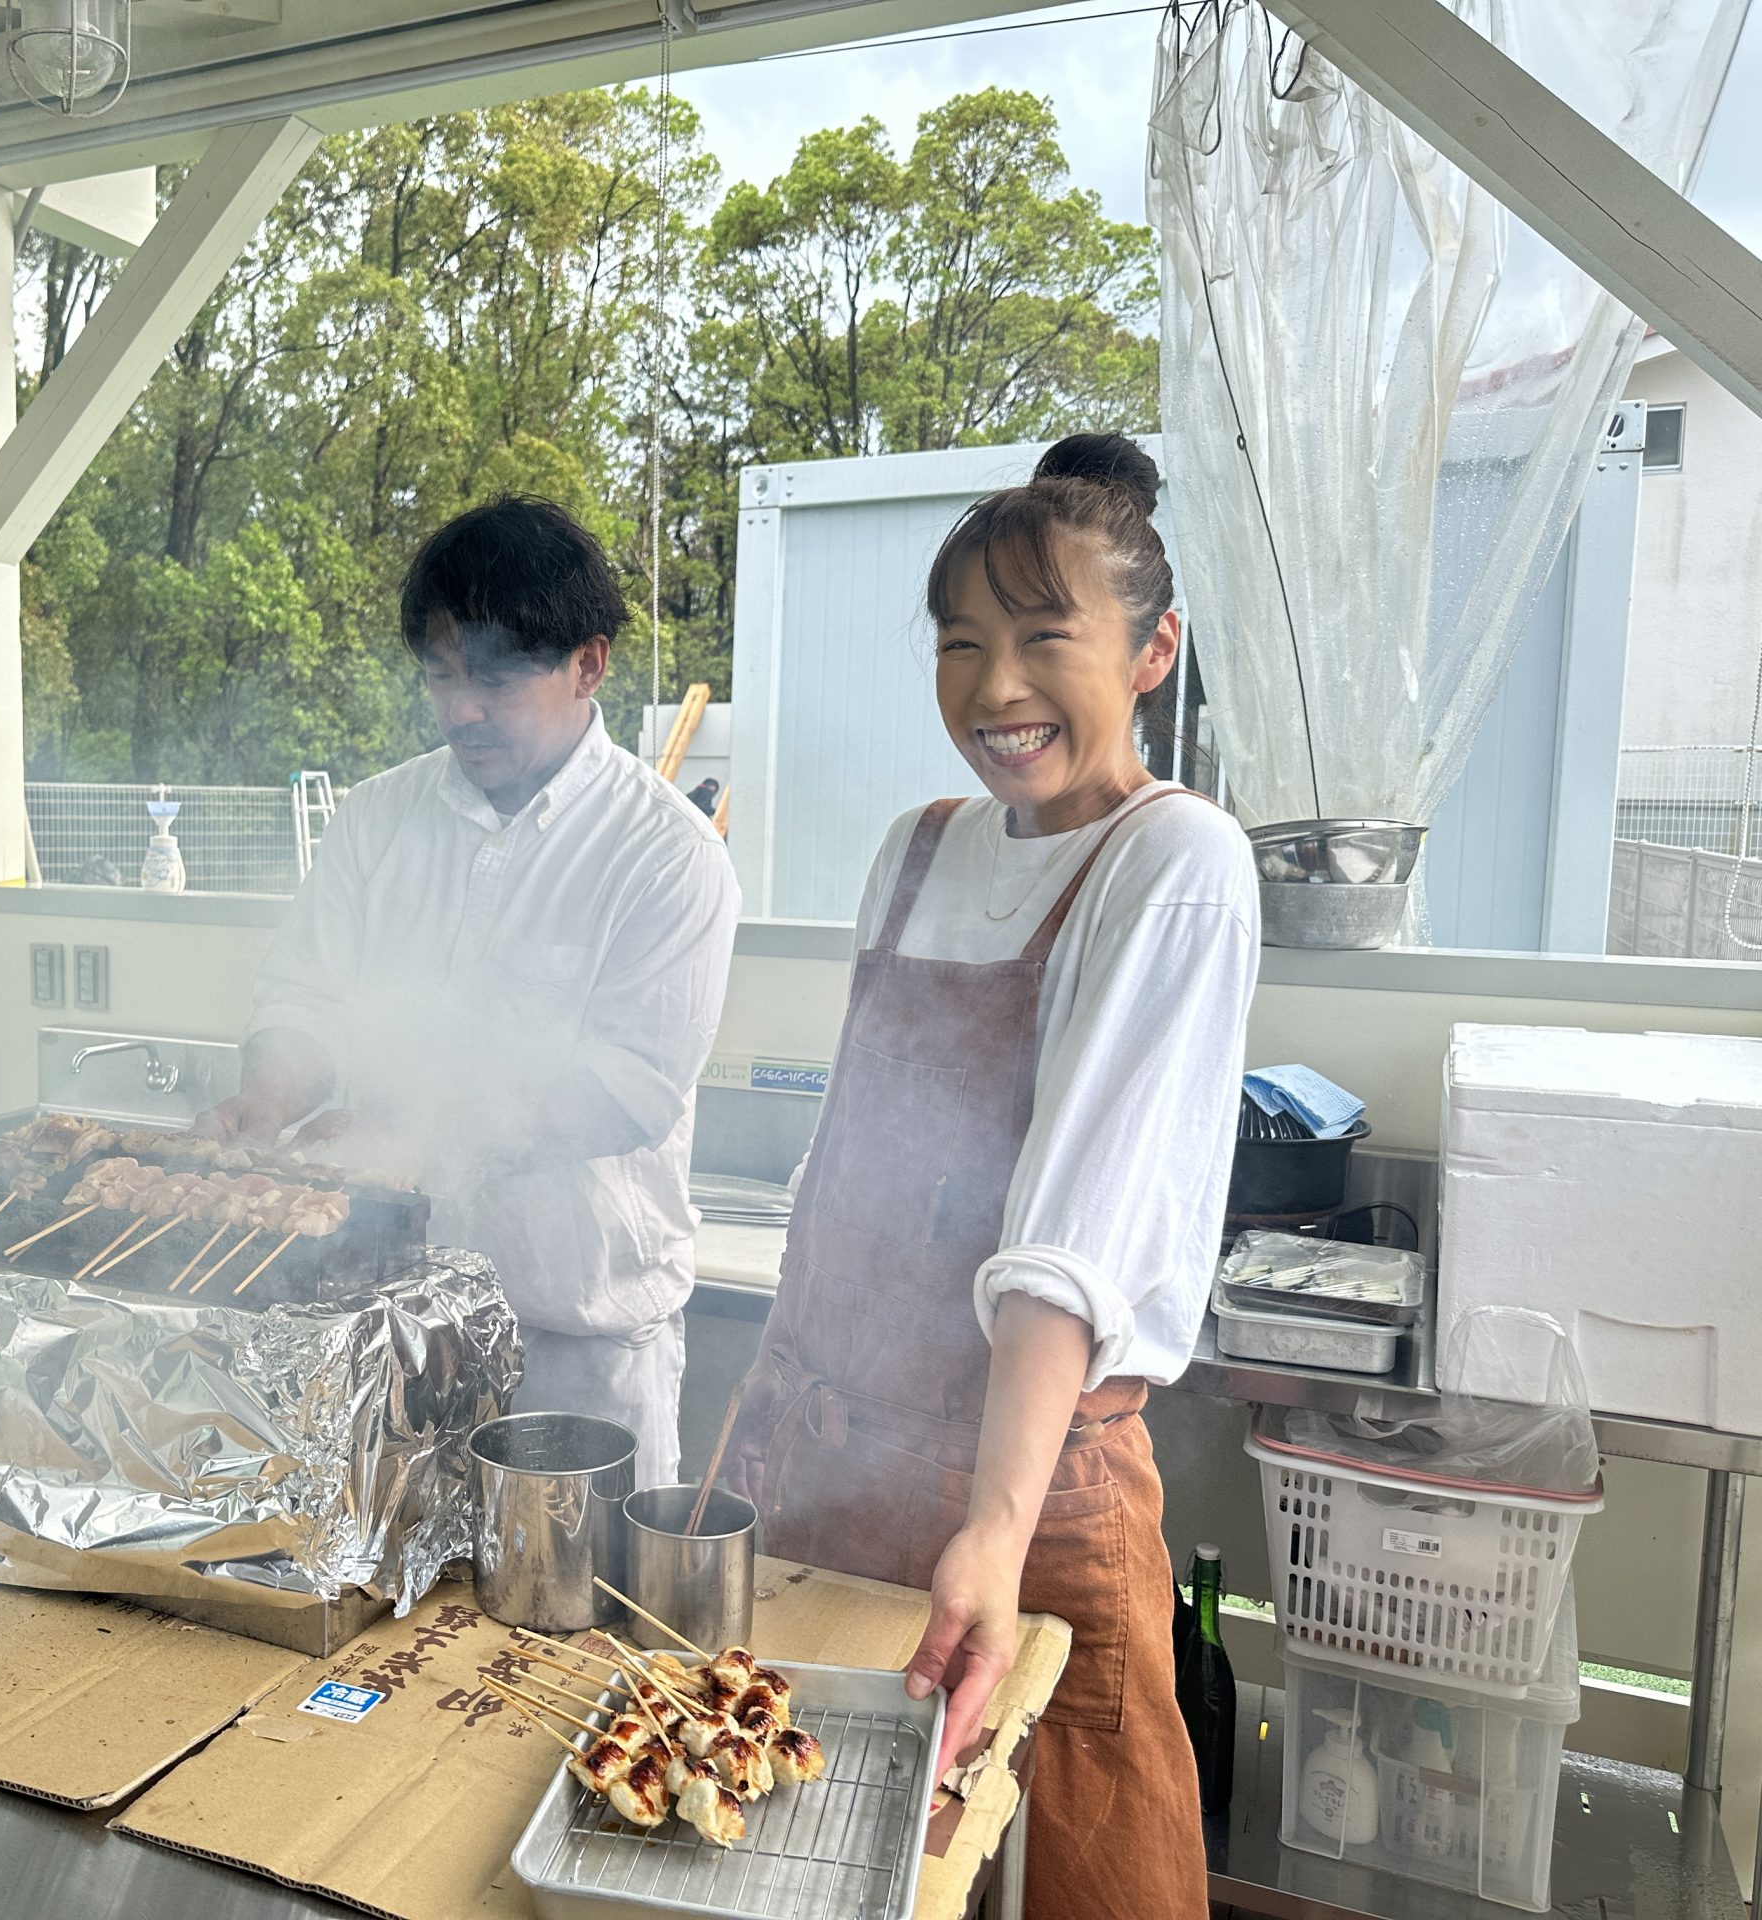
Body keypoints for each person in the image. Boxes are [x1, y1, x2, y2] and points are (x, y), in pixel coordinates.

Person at [726, 435, 1258, 1915]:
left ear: (1154, 651)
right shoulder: (914, 850)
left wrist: (995, 1527)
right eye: (962, 645)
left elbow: (1067, 1243)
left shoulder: (1177, 861)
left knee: (1052, 1866)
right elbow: (857, 1166)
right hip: (826, 1463)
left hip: (1021, 1487)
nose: (994, 688)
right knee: (781, 1847)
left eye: (1043, 638)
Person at [198, 495, 740, 1484]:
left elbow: (624, 1091)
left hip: (570, 1351)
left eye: (493, 675)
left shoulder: (665, 854)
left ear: (589, 662)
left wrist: (418, 1133)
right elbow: (306, 995)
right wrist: (272, 1096)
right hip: (374, 1323)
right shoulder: (376, 819)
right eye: (440, 677)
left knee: (566, 1633)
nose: (461, 708)